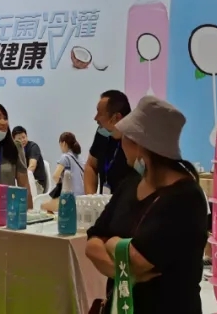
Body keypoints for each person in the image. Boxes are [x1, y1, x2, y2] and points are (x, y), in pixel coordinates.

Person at [86, 96, 208, 313]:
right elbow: (92, 242)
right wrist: (122, 273)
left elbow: (138, 261)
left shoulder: (186, 198)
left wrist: (112, 243)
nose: (121, 144)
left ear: (140, 145)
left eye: (125, 137)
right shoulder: (130, 183)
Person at [85, 89, 136, 194]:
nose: (95, 118)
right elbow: (91, 165)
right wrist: (90, 199)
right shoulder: (102, 134)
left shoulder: (136, 141)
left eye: (100, 113)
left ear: (116, 117)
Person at [12, 125, 48, 192]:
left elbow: (32, 167)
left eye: (24, 137)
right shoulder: (15, 150)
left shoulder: (33, 147)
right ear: (13, 140)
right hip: (24, 182)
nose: (22, 140)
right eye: (19, 139)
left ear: (27, 136)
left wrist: (23, 180)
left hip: (37, 183)